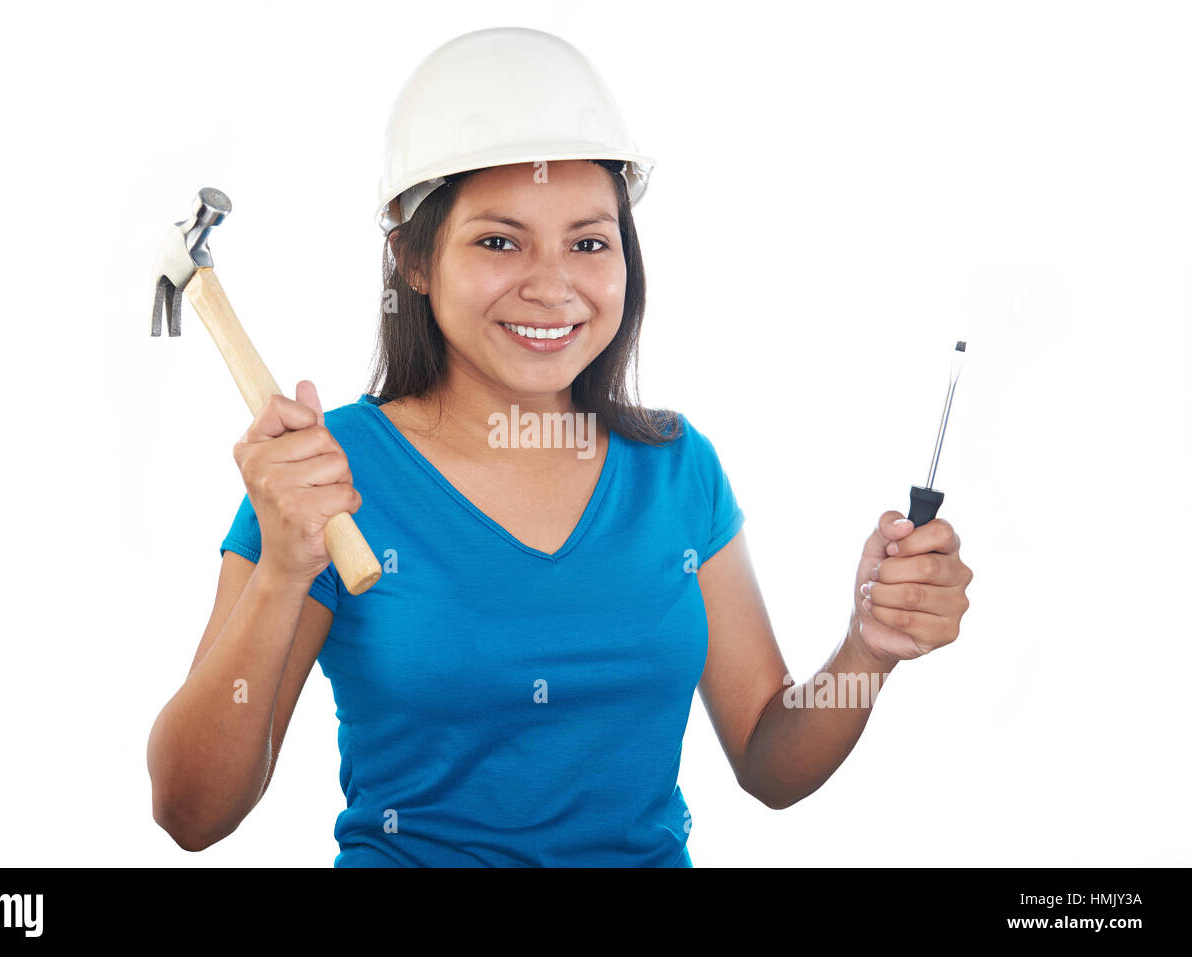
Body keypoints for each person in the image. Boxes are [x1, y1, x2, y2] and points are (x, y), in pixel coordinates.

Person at [146, 27, 973, 867]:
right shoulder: (322, 481)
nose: (552, 285)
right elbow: (190, 809)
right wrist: (285, 568)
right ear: (415, 260)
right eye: (499, 241)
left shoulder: (677, 469)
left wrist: (867, 650)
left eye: (588, 241)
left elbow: (769, 758)